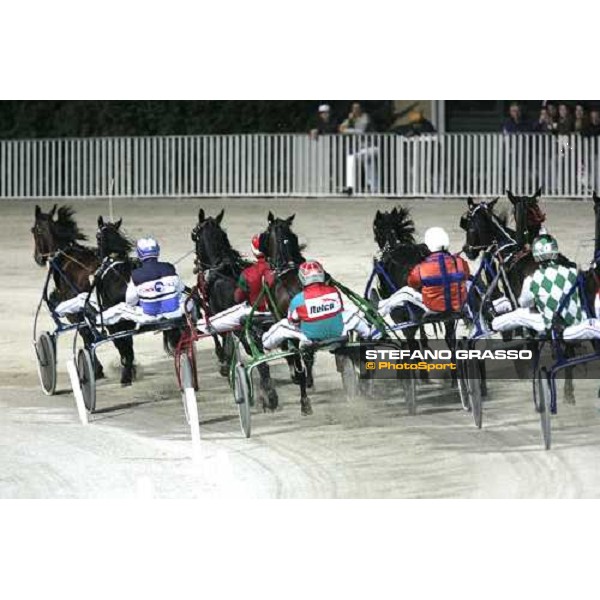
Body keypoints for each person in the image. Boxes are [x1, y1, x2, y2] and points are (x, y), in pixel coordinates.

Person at [262, 260, 372, 350]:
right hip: (338, 332)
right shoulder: (333, 291)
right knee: (352, 315)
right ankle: (369, 335)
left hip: (311, 337)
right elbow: (339, 311)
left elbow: (293, 321)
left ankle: (266, 344)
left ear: (302, 278)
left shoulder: (298, 299)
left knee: (283, 325)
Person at [492, 233, 582, 335]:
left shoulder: (532, 278)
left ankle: (492, 325)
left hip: (552, 326)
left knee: (519, 314)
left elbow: (524, 303)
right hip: (578, 323)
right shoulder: (572, 271)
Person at [378, 227, 470, 318]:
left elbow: (412, 283)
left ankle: (380, 309)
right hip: (457, 305)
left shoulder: (422, 267)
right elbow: (466, 274)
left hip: (433, 308)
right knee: (468, 283)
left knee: (405, 292)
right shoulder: (459, 261)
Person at [195, 234, 275, 334]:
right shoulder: (277, 268)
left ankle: (200, 327)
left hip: (254, 311)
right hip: (277, 311)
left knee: (204, 324)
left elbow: (238, 298)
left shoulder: (248, 273)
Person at [126, 237, 185, 318]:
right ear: (157, 251)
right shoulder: (168, 267)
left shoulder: (136, 274)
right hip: (174, 313)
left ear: (139, 253)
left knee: (119, 309)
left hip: (149, 316)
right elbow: (181, 288)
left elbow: (130, 301)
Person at [339, 102, 378, 194]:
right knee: (359, 162)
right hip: (362, 149)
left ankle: (369, 187)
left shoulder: (365, 117)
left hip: (372, 147)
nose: (355, 110)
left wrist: (348, 129)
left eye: (357, 108)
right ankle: (367, 187)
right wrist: (349, 120)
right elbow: (341, 129)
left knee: (364, 162)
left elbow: (361, 131)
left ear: (361, 109)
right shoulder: (351, 119)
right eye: (353, 108)